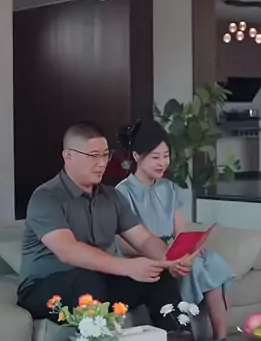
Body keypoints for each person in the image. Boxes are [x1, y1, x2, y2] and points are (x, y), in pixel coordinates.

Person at [17, 122, 191, 328]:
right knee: (86, 279)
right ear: (68, 156)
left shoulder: (112, 197)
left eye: (105, 155)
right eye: (93, 156)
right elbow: (69, 251)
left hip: (97, 280)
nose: (101, 163)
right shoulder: (46, 197)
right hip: (44, 288)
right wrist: (128, 266)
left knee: (157, 275)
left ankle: (180, 340)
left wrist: (170, 260)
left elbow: (143, 240)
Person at [116, 120, 235, 341]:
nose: (162, 163)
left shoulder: (168, 187)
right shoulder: (122, 192)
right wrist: (167, 255)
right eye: (155, 157)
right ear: (136, 156)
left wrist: (191, 247)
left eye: (166, 156)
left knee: (210, 260)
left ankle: (221, 338)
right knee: (195, 267)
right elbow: (123, 242)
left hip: (173, 250)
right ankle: (195, 332)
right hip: (144, 255)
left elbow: (181, 230)